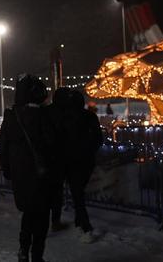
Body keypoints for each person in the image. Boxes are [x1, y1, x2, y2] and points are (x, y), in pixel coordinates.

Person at [0, 74, 55, 262]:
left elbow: (3, 147)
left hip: (20, 175)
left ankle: (23, 249)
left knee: (29, 213)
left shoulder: (11, 117)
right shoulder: (43, 115)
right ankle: (37, 256)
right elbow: (51, 144)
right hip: (42, 174)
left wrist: (8, 170)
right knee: (41, 216)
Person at [65, 90, 103, 242]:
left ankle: (85, 226)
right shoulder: (90, 116)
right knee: (78, 191)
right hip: (87, 160)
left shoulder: (66, 118)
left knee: (77, 193)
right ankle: (79, 222)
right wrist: (90, 150)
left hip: (71, 160)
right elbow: (98, 138)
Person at [47, 87, 71, 232]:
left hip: (47, 157)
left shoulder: (45, 112)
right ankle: (55, 220)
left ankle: (45, 221)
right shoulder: (66, 114)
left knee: (47, 191)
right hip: (60, 157)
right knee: (56, 192)